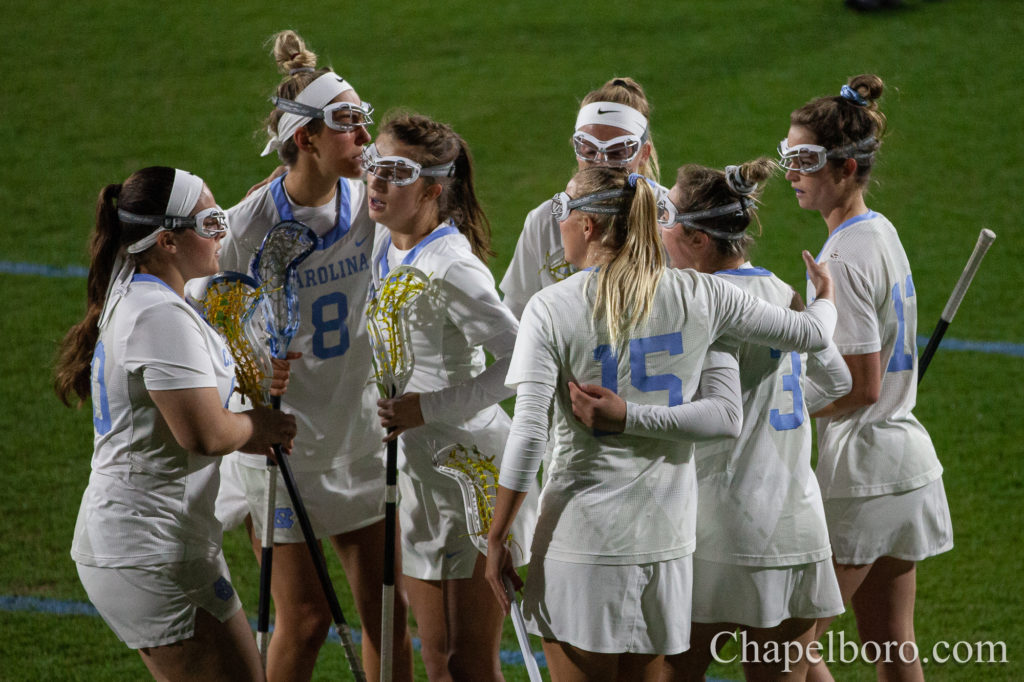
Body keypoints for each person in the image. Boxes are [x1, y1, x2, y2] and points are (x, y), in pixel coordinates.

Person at [484, 166, 841, 681]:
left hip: (582, 542)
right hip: (668, 550)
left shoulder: (551, 307)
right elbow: (808, 336)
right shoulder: (702, 295)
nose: (555, 223)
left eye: (562, 211)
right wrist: (826, 298)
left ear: (587, 226)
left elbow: (528, 434)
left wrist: (499, 536)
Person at [214, 30, 413, 682]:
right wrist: (246, 372)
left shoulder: (369, 205)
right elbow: (209, 326)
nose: (365, 138)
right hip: (286, 445)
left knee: (386, 613)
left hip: (356, 433)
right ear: (306, 139)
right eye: (349, 126)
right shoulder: (246, 227)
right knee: (302, 622)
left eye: (364, 121)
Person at [609, 159, 851, 681]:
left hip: (719, 527)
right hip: (796, 524)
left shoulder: (698, 303)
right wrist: (770, 412)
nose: (657, 230)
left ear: (698, 241)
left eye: (666, 218)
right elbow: (838, 382)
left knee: (677, 673)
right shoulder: (785, 291)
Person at [56, 166, 297, 681]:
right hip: (149, 549)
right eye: (210, 222)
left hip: (153, 542)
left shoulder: (141, 290)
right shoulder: (157, 315)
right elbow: (205, 434)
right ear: (166, 241)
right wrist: (258, 427)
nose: (222, 232)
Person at [780, 75, 953, 681]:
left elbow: (860, 386)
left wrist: (783, 406)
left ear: (846, 166)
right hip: (905, 462)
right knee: (889, 640)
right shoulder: (879, 230)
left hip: (864, 473)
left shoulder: (842, 257)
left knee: (785, 653)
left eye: (804, 161)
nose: (791, 173)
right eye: (788, 157)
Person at [367, 112, 539, 681]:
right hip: (421, 472)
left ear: (433, 189)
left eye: (393, 172)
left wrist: (426, 408)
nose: (376, 181)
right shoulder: (386, 242)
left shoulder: (455, 267)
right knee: (437, 660)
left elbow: (519, 360)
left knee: (469, 664)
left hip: (469, 473)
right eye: (374, 165)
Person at [500, 76, 662, 320]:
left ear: (644, 153)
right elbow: (517, 316)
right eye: (589, 150)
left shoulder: (673, 217)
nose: (601, 163)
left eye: (618, 151)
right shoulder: (546, 221)